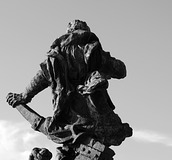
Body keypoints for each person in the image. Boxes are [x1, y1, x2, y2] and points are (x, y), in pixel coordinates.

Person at [7, 20, 132, 149]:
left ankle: (68, 151)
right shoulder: (94, 52)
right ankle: (68, 152)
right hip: (100, 118)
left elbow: (41, 78)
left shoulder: (55, 58)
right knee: (110, 132)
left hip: (70, 118)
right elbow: (121, 71)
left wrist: (23, 96)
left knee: (63, 133)